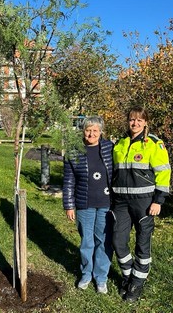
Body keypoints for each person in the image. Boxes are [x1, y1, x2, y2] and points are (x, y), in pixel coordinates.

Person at [112, 106, 171, 302]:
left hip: (145, 203)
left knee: (142, 245)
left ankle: (137, 284)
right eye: (131, 119)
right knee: (118, 242)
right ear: (127, 121)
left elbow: (163, 172)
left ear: (146, 122)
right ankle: (128, 275)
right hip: (120, 202)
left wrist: (158, 200)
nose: (135, 123)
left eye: (139, 120)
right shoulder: (120, 143)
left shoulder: (154, 143)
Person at [63, 116, 113, 294]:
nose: (91, 133)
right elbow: (69, 180)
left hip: (106, 204)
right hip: (84, 203)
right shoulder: (74, 151)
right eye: (88, 130)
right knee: (87, 241)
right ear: (83, 131)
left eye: (95, 130)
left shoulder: (109, 148)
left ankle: (101, 277)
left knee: (104, 241)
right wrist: (69, 205)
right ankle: (86, 274)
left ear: (101, 132)